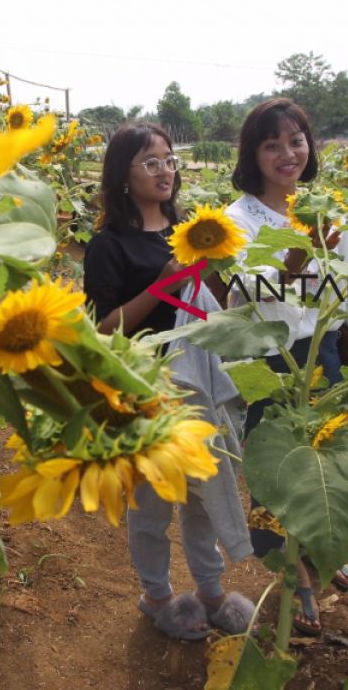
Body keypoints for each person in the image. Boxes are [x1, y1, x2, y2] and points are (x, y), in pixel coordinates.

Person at [83, 122, 254, 641]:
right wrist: (161, 286)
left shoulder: (185, 230)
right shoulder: (108, 245)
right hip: (142, 392)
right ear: (123, 174)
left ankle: (210, 589)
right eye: (150, 162)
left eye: (169, 159)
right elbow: (102, 331)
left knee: (202, 495)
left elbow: (210, 303)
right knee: (152, 503)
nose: (165, 171)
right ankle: (156, 594)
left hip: (195, 382)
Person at [224, 98, 348, 635]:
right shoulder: (237, 221)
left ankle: (319, 552)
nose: (287, 154)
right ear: (253, 155)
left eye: (296, 141)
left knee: (322, 464)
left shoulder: (328, 211)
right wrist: (293, 261)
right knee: (275, 468)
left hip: (325, 353)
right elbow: (241, 296)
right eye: (272, 145)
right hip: (273, 359)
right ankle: (293, 571)